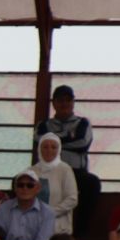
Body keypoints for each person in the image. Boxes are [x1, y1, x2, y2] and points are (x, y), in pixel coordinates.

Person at [37, 84, 100, 229]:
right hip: (47, 171)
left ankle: (81, 231)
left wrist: (54, 141)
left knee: (92, 183)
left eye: (68, 100)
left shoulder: (83, 123)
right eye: (60, 100)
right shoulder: (44, 124)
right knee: (21, 181)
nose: (64, 104)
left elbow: (82, 143)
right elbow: (40, 142)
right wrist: (69, 137)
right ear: (54, 103)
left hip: (76, 172)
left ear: (73, 102)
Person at [0, 170, 55, 240]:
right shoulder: (2, 209)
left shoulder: (48, 213)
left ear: (38, 188)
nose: (25, 188)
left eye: (30, 185)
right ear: (15, 188)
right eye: (20, 185)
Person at [31, 132, 78, 235]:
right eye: (45, 147)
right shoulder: (31, 171)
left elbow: (72, 199)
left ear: (59, 150)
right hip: (34, 225)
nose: (49, 150)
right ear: (39, 149)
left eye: (53, 147)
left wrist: (51, 212)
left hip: (59, 228)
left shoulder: (65, 169)